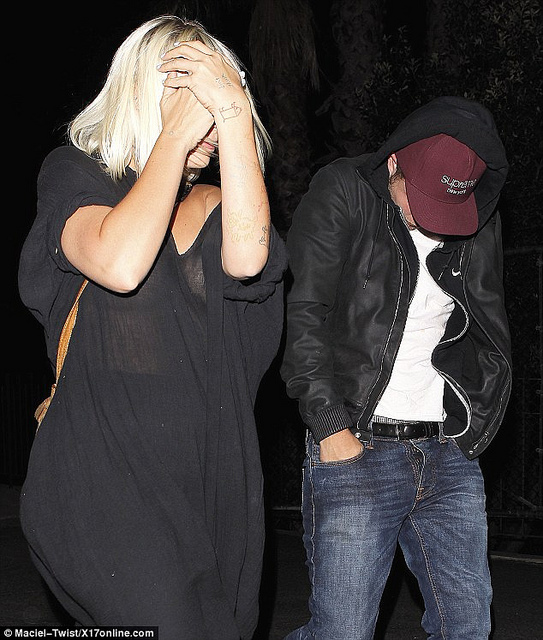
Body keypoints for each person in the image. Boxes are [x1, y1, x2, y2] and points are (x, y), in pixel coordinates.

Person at [18, 15, 286, 639]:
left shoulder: (217, 202)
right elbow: (119, 263)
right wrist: (175, 134)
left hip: (211, 475)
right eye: (193, 96)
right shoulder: (76, 176)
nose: (208, 121)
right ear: (145, 90)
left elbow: (249, 259)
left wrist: (234, 113)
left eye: (218, 101)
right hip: (106, 476)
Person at [281, 96, 511, 639]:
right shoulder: (344, 191)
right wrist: (330, 428)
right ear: (393, 163)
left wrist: (474, 428)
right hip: (356, 446)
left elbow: (488, 325)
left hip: (448, 453)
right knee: (342, 634)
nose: (437, 220)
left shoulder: (478, 218)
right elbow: (306, 313)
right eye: (423, 200)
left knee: (468, 629)